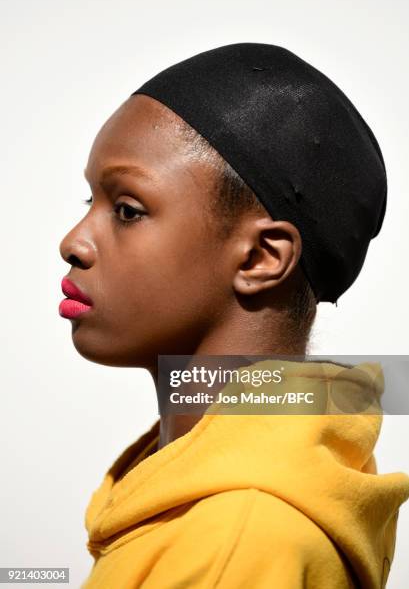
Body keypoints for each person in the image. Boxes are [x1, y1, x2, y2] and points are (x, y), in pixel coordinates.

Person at [58, 43, 409, 588]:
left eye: (127, 210)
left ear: (260, 258)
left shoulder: (236, 540)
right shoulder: (200, 504)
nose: (74, 243)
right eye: (90, 204)